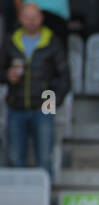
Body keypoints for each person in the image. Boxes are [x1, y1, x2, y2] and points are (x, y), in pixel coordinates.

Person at [2, 3, 69, 183]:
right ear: (20, 19)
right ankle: (18, 203)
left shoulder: (52, 41)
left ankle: (45, 203)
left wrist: (51, 103)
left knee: (45, 158)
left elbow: (64, 77)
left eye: (35, 17)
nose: (31, 22)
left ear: (41, 19)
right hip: (16, 106)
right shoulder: (10, 41)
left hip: (44, 108)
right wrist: (7, 75)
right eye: (27, 17)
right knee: (15, 158)